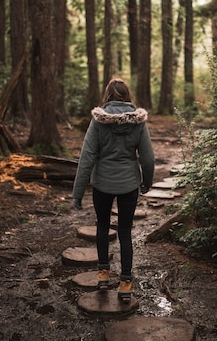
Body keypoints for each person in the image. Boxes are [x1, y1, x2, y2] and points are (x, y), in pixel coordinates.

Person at [72, 78, 155, 302]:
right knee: (125, 232)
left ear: (107, 96)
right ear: (127, 95)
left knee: (102, 228)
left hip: (103, 184)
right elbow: (147, 157)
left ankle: (102, 276)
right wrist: (147, 181)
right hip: (129, 184)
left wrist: (78, 193)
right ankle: (126, 284)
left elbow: (87, 157)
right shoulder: (138, 122)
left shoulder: (98, 121)